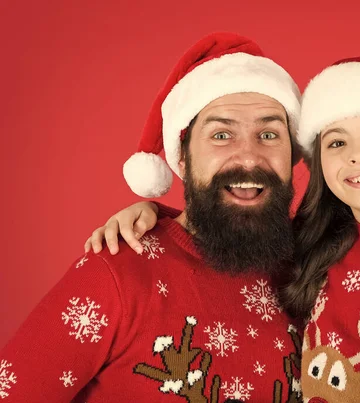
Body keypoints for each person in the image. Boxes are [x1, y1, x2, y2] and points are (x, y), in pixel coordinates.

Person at [84, 51, 360, 402]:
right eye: (336, 142)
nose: (358, 156)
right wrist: (152, 215)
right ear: (315, 161)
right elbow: (228, 232)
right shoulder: (311, 242)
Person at [0, 32, 305, 402]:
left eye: (269, 134)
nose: (248, 157)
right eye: (221, 135)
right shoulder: (115, 274)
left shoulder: (316, 272)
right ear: (182, 157)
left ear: (293, 155)